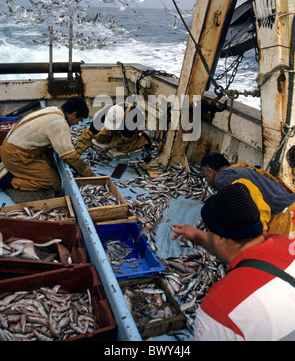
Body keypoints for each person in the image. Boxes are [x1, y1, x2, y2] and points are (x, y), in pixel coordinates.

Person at [171, 182, 295, 341]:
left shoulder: (219, 308)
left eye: (207, 230)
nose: (206, 233)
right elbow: (232, 248)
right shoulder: (286, 241)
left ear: (220, 239)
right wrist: (199, 236)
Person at [0, 97, 94, 192]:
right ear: (74, 114)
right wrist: (88, 174)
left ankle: (16, 171)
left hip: (8, 146)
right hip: (16, 155)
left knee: (49, 165)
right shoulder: (60, 124)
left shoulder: (53, 109)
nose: (77, 123)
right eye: (79, 119)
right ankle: (8, 181)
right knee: (53, 181)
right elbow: (69, 156)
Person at [200, 152, 295, 236]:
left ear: (210, 171)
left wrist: (261, 229)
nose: (207, 181)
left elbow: (251, 194)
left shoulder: (221, 178)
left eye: (205, 177)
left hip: (283, 217)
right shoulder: (242, 169)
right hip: (291, 206)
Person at [75, 102, 151, 156]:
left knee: (123, 148)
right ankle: (115, 135)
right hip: (122, 124)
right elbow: (90, 132)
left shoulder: (131, 119)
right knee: (99, 137)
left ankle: (143, 139)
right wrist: (79, 150)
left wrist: (109, 147)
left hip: (135, 126)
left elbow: (124, 138)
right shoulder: (105, 113)